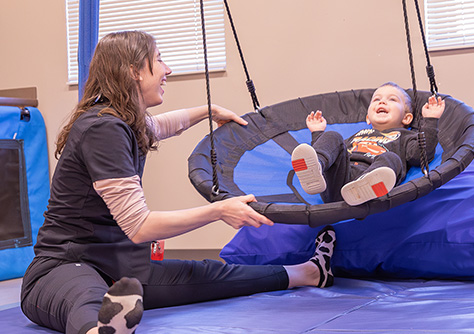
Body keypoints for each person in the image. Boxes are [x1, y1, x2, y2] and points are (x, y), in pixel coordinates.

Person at [20, 30, 336, 334]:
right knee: (85, 296)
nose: (167, 69)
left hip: (117, 269)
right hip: (62, 267)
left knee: (208, 274)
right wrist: (218, 211)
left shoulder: (123, 122)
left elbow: (161, 125)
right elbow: (140, 226)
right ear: (134, 72)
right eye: (159, 60)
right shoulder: (103, 129)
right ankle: (100, 330)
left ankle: (309, 273)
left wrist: (209, 111)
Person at [291, 82, 445, 206]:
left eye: (392, 99)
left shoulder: (406, 136)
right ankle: (316, 166)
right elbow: (333, 152)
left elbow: (420, 155)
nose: (382, 101)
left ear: (406, 118)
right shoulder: (358, 134)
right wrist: (318, 132)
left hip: (372, 181)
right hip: (338, 180)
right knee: (333, 136)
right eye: (376, 99)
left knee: (391, 158)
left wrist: (430, 120)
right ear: (368, 118)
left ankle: (362, 187)